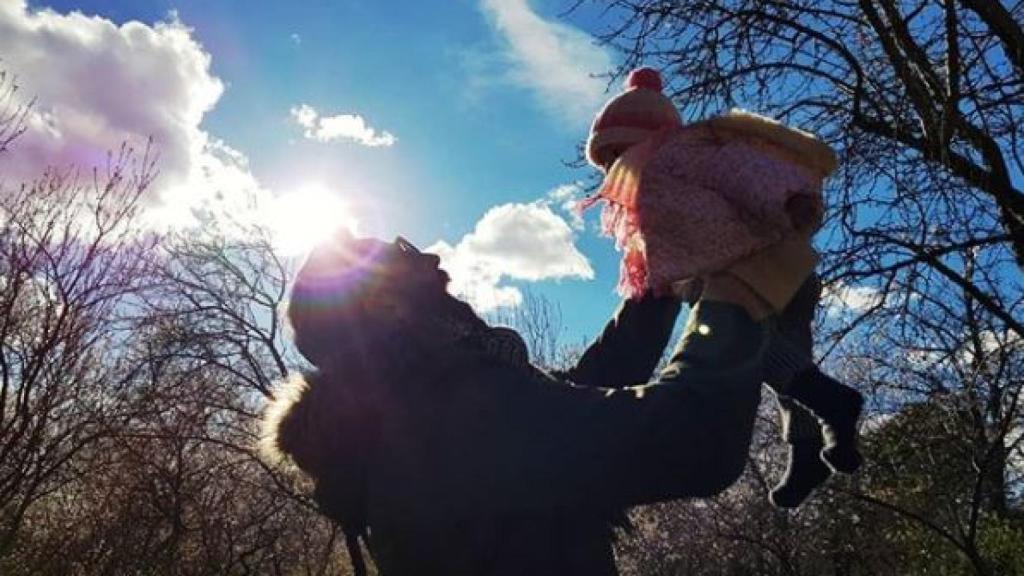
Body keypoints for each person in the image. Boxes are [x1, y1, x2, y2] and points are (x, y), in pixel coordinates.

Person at [261, 233, 808, 575]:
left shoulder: (415, 419)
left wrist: (655, 288)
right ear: (387, 307)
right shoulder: (450, 419)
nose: (432, 258)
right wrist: (739, 297)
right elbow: (695, 437)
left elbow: (569, 403)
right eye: (403, 254)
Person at [583, 67, 864, 507]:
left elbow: (741, 172)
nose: (613, 168)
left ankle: (833, 402)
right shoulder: (653, 186)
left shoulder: (680, 155)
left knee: (751, 347)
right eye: (606, 161)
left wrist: (786, 203)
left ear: (642, 136)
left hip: (757, 266)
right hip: (764, 268)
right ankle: (807, 448)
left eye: (616, 152)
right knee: (782, 355)